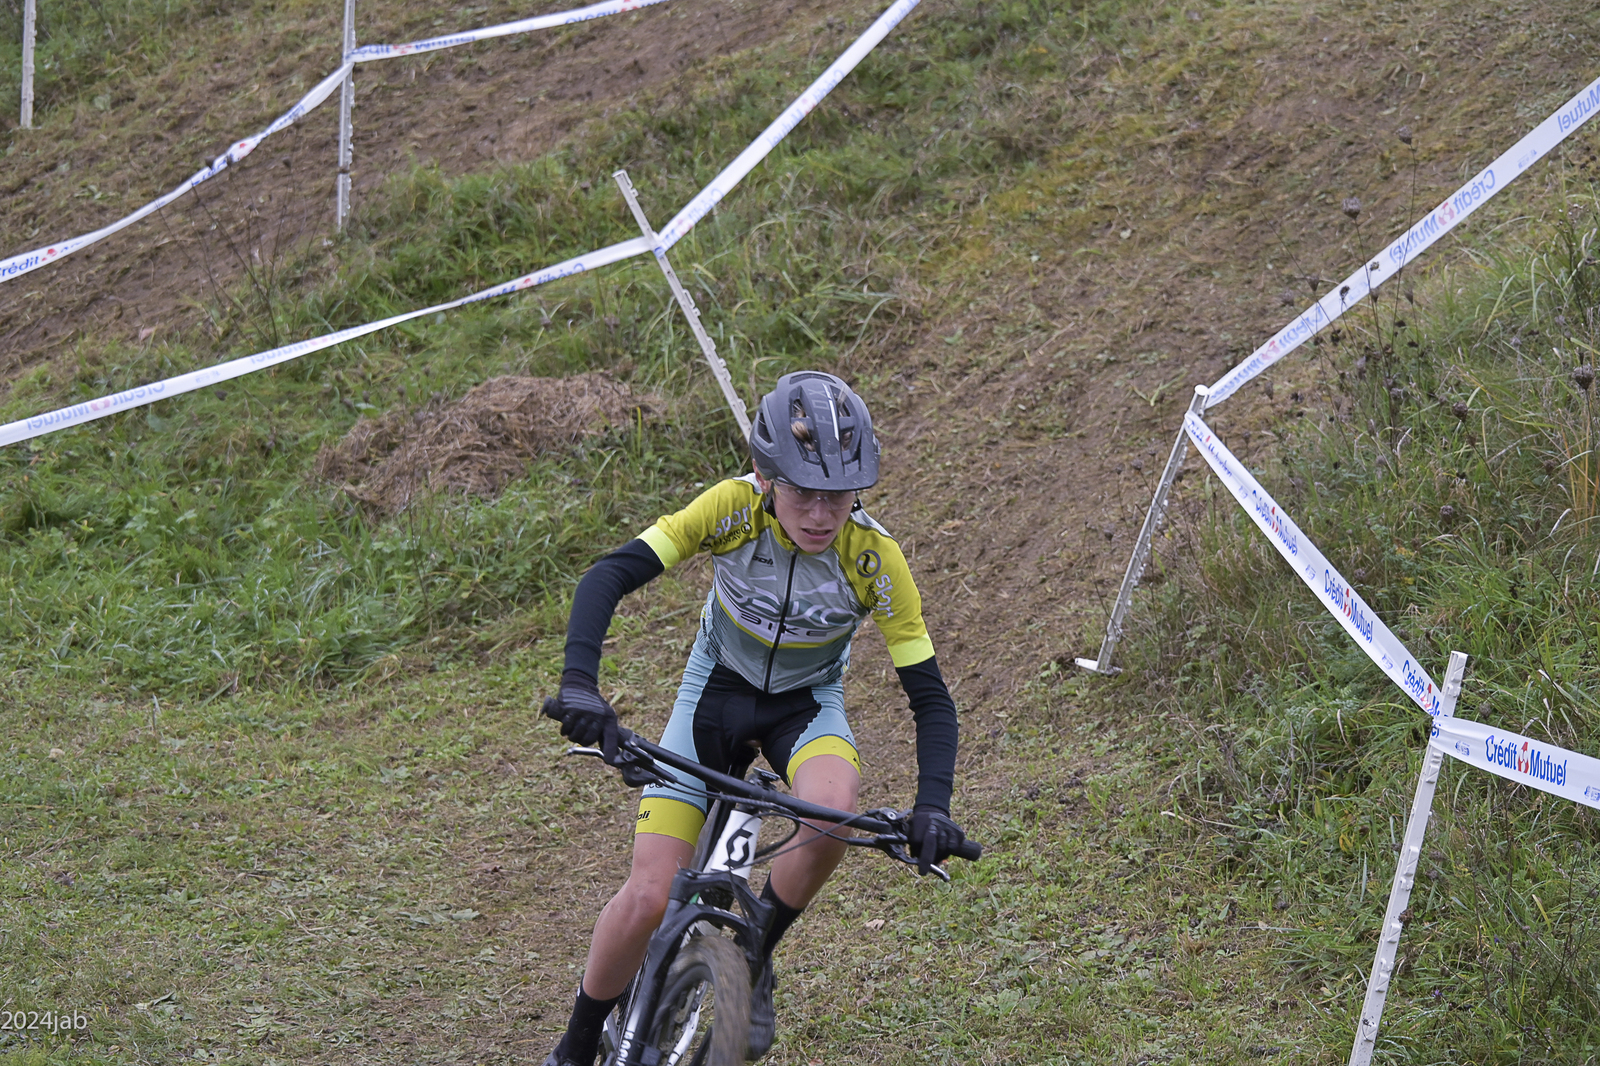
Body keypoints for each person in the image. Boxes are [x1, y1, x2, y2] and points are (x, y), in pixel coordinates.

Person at [543, 371, 967, 1066]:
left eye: (839, 495)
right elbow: (608, 575)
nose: (822, 514)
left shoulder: (873, 559)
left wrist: (933, 806)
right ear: (764, 476)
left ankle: (753, 960)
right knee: (649, 894)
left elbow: (930, 697)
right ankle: (577, 1042)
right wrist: (580, 686)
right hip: (712, 695)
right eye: (802, 491)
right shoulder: (731, 509)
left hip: (805, 706)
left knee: (834, 810)